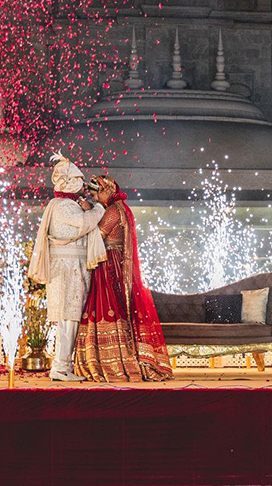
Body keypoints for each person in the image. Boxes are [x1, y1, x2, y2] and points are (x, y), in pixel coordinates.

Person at [74, 175, 173, 382]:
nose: (95, 198)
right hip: (112, 261)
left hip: (109, 262)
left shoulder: (112, 210)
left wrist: (86, 212)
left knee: (108, 305)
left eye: (96, 194)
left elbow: (96, 234)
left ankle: (113, 361)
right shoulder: (121, 208)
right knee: (114, 306)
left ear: (106, 190)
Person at [27, 152, 106, 382]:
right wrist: (98, 208)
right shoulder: (64, 206)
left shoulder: (67, 204)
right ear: (69, 182)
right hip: (67, 269)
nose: (83, 185)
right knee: (67, 317)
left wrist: (88, 205)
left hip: (71, 267)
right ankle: (61, 367)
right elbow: (85, 223)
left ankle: (63, 366)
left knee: (69, 317)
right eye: (79, 180)